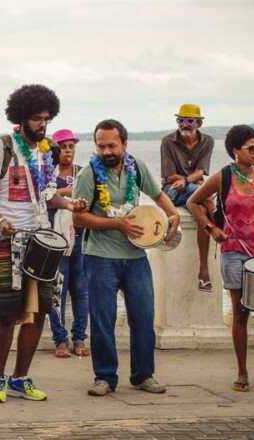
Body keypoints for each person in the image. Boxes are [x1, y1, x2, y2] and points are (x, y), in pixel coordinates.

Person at [0, 84, 86, 404]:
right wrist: (0, 220)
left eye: (47, 119)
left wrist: (69, 205)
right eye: (37, 119)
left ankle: (20, 377)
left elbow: (47, 194)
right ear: (21, 117)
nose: (42, 125)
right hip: (6, 239)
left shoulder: (47, 151)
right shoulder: (1, 147)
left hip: (41, 241)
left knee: (38, 311)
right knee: (7, 312)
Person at [73, 119, 178, 396]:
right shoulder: (88, 175)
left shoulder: (137, 167)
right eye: (100, 146)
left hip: (135, 255)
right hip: (100, 255)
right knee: (103, 319)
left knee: (144, 317)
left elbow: (158, 195)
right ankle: (105, 377)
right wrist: (117, 224)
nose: (106, 151)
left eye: (112, 145)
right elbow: (78, 217)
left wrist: (173, 214)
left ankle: (144, 375)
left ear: (124, 144)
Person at [187, 124, 254, 393]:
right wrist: (211, 229)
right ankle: (242, 373)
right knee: (240, 311)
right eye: (251, 148)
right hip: (234, 250)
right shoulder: (223, 177)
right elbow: (193, 202)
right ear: (236, 151)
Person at [160, 104, 215, 292]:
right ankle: (218, 225)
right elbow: (168, 177)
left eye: (189, 120)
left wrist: (186, 180)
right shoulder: (167, 142)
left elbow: (201, 171)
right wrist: (188, 182)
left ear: (198, 123)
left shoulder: (207, 141)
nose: (184, 124)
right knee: (207, 201)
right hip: (172, 191)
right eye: (181, 120)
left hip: (191, 190)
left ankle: (203, 269)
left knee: (203, 208)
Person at [47, 128, 90, 358]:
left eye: (71, 146)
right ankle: (60, 339)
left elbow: (89, 199)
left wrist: (60, 194)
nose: (67, 151)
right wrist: (65, 192)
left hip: (80, 237)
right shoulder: (48, 173)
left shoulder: (82, 173)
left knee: (81, 290)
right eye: (63, 147)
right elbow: (44, 200)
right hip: (55, 242)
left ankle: (80, 338)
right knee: (57, 291)